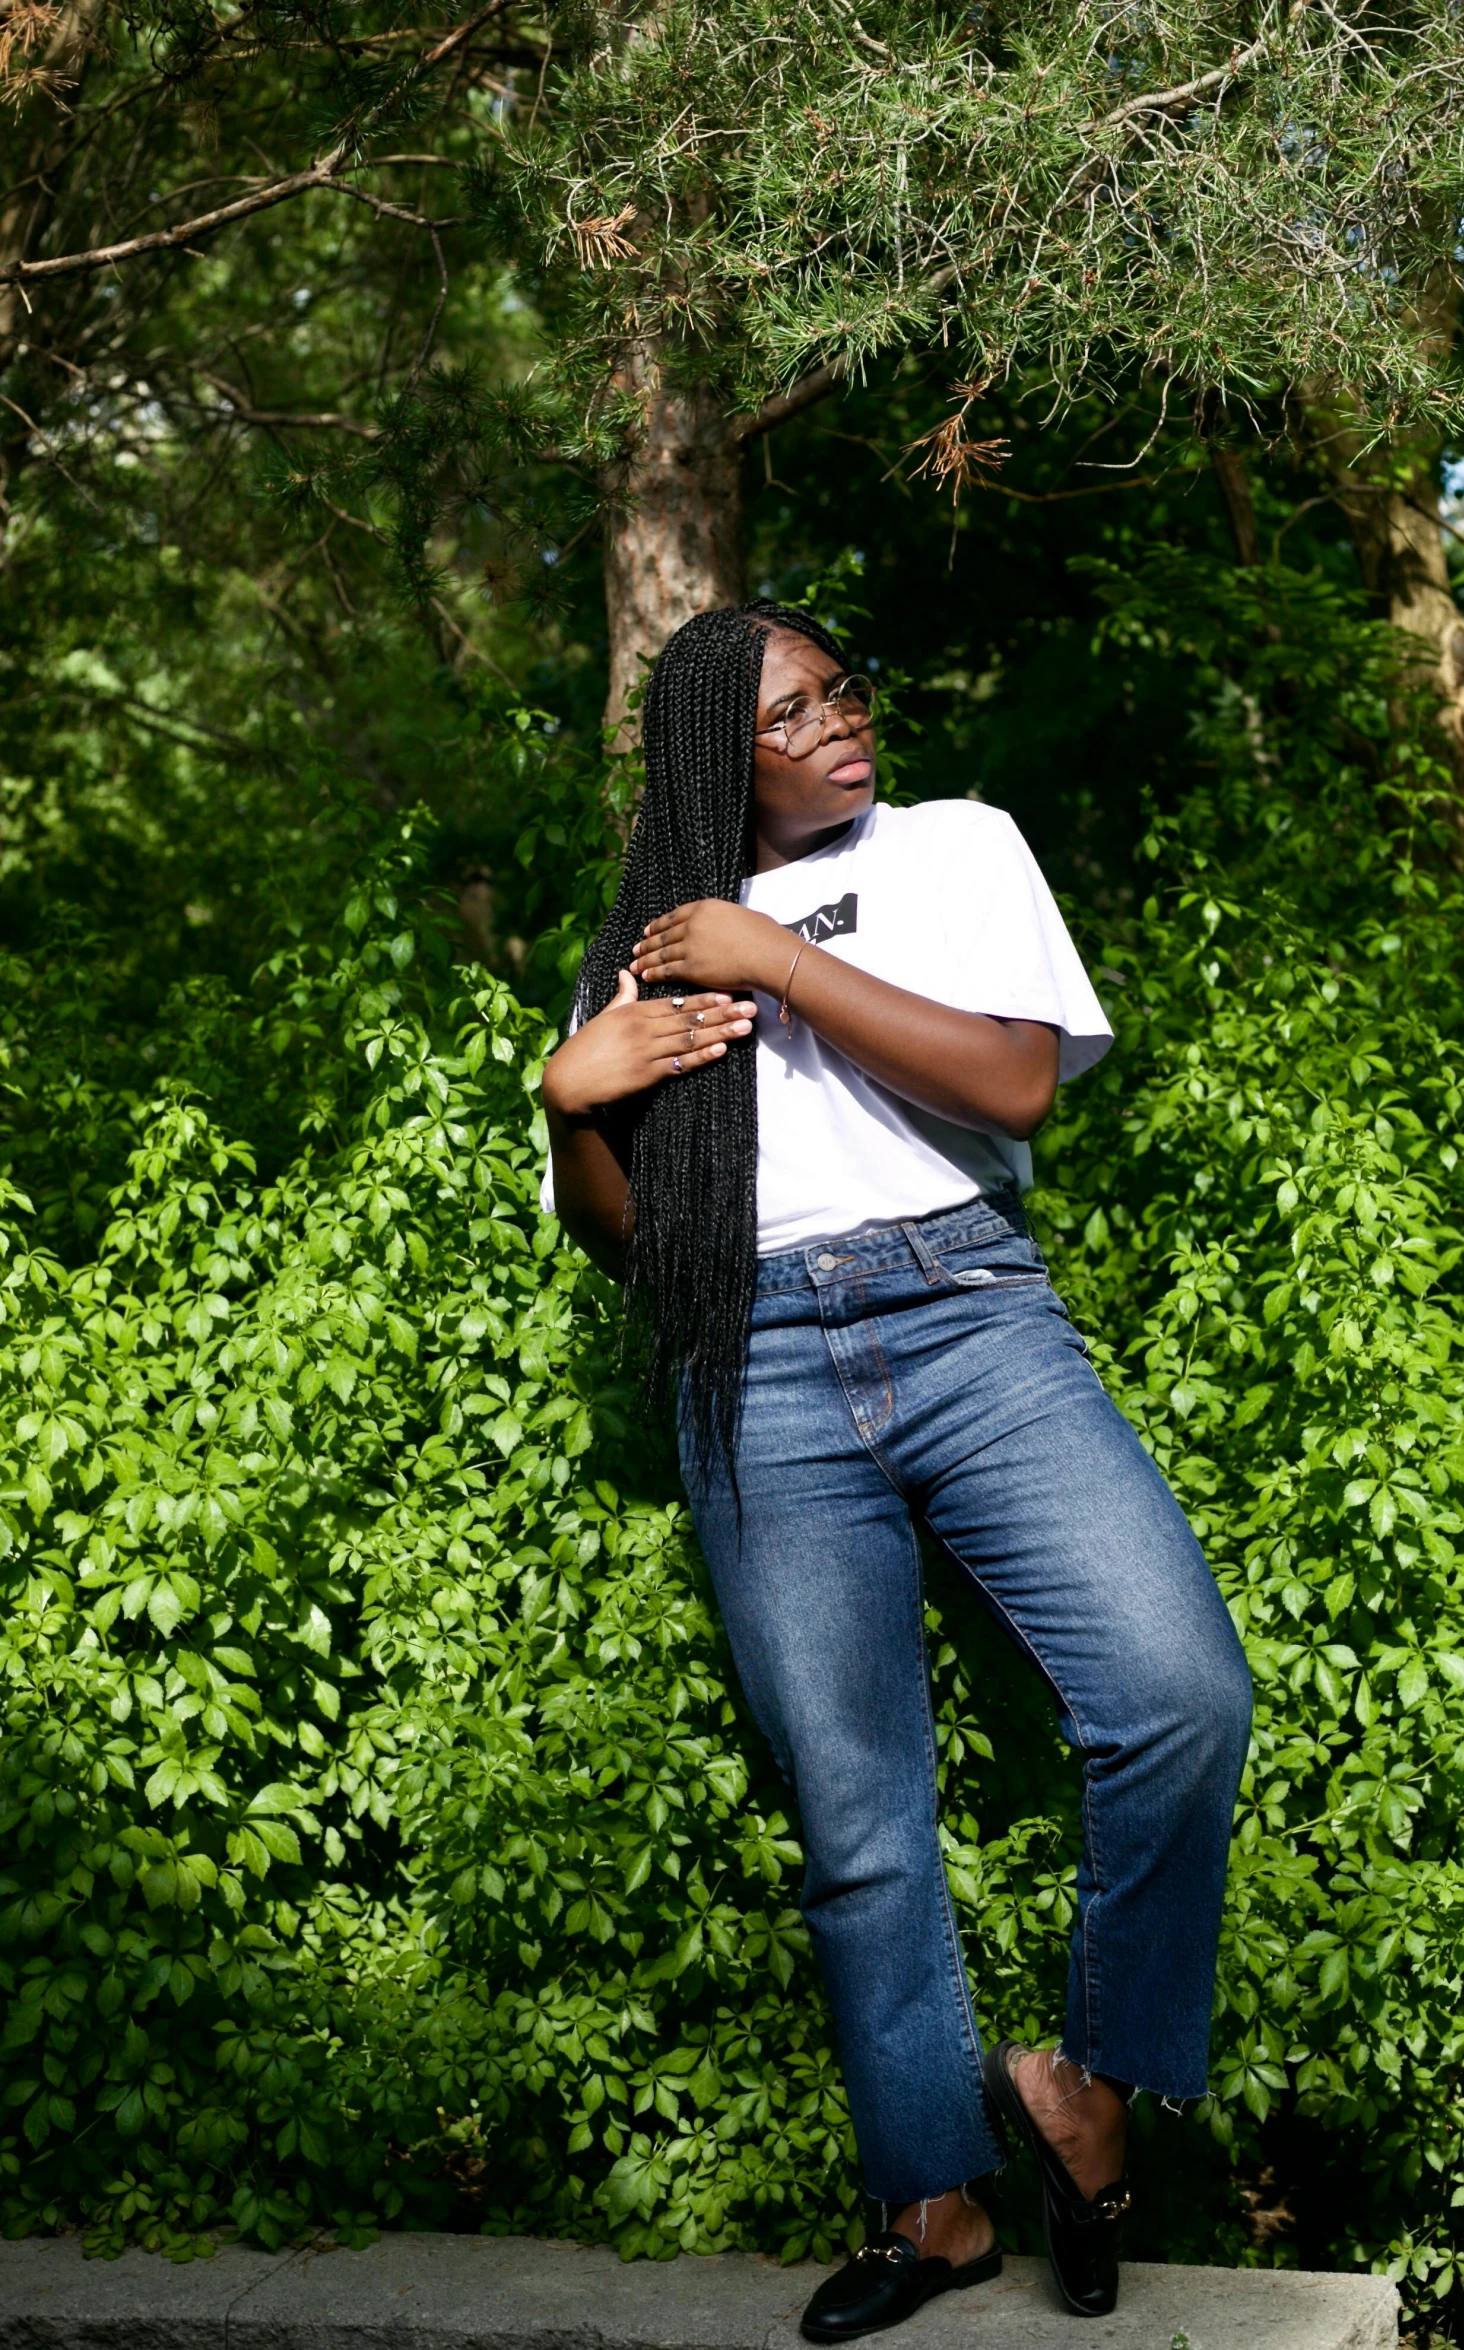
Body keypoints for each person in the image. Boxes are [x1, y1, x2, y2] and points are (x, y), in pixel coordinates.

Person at [541, 602, 1253, 2337]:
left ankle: (1082, 2081)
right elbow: (636, 1248)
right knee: (858, 1818)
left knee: (1179, 1692)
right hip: (756, 1359)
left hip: (965, 1308)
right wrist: (577, 1100)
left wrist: (776, 961)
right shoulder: (640, 946)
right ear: (720, 750)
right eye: (790, 712)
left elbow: (1012, 1085)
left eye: (843, 688)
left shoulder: (953, 848)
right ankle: (928, 2199)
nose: (839, 723)